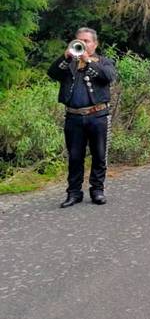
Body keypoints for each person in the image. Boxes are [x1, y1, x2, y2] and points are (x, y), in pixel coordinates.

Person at [48, 28, 117, 208]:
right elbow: (52, 73)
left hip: (98, 115)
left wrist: (88, 62)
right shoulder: (68, 63)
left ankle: (97, 190)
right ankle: (74, 193)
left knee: (99, 155)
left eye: (86, 41)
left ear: (95, 44)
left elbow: (109, 77)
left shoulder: (104, 62)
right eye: (79, 40)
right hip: (74, 116)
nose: (83, 43)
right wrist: (65, 57)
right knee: (75, 157)